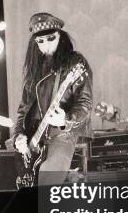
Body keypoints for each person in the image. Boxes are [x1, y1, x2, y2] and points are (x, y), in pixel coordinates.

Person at [13, 12, 93, 185]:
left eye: (51, 39)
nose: (46, 45)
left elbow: (85, 103)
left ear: (61, 37)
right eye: (40, 42)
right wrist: (18, 136)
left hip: (62, 133)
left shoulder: (75, 62)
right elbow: (23, 108)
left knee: (48, 183)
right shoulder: (34, 68)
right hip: (34, 135)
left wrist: (65, 119)